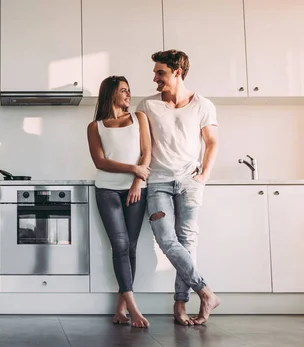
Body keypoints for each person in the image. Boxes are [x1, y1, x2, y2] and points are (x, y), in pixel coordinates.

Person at [136, 49, 221, 325]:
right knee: (167, 240)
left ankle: (180, 304)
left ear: (177, 72)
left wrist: (204, 176)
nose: (155, 77)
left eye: (160, 72)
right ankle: (206, 291)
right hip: (158, 182)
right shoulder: (146, 105)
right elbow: (143, 148)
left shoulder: (203, 105)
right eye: (155, 72)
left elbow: (212, 142)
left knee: (187, 242)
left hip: (190, 182)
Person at [87, 76, 152, 328]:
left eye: (128, 89)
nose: (128, 94)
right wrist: (134, 169)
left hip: (137, 189)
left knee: (131, 247)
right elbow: (100, 162)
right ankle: (134, 309)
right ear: (111, 94)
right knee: (120, 244)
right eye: (123, 90)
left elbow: (147, 152)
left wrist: (138, 179)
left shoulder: (139, 118)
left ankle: (120, 308)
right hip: (107, 190)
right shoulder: (96, 126)